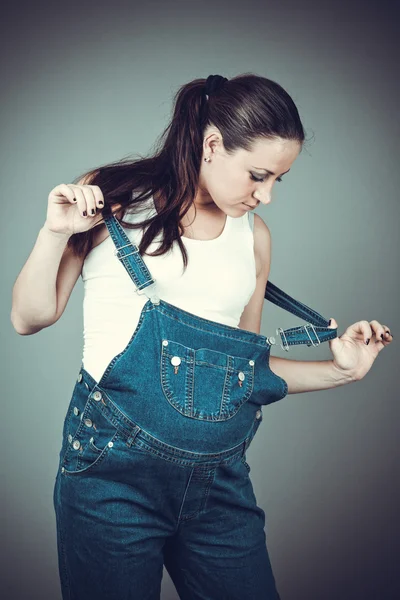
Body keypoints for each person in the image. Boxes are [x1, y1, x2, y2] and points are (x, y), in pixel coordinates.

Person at [11, 73, 393, 600]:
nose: (266, 195)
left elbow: (242, 374)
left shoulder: (254, 238)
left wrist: (341, 368)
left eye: (279, 180)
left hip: (218, 484)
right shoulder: (115, 199)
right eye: (258, 175)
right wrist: (54, 232)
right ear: (213, 144)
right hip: (111, 478)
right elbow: (29, 317)